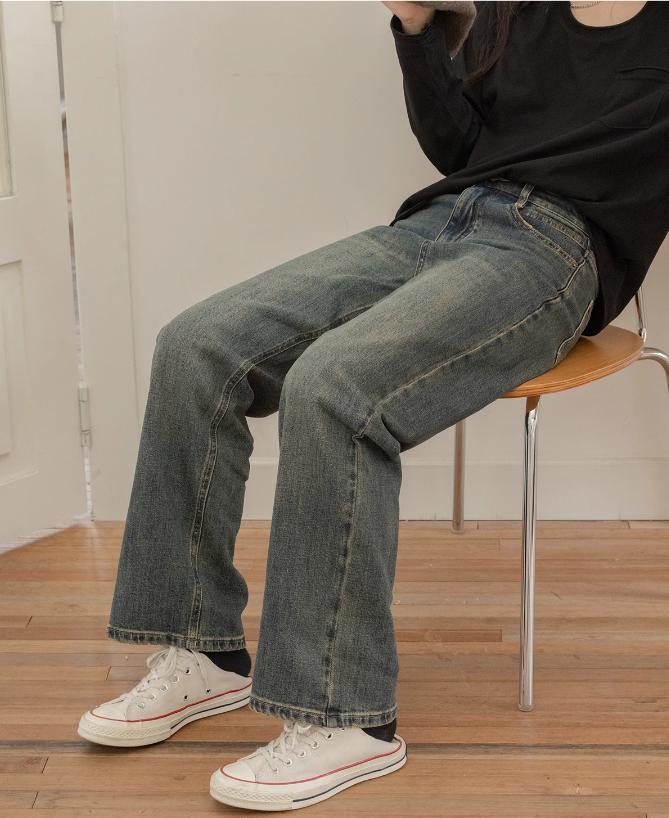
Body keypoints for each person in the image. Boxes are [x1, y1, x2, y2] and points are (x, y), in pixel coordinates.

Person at [76, 0, 668, 811]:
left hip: (555, 254)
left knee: (335, 387)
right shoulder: (524, 12)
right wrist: (418, 27)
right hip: (442, 219)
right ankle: (199, 651)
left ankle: (343, 715)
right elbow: (460, 146)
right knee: (196, 346)